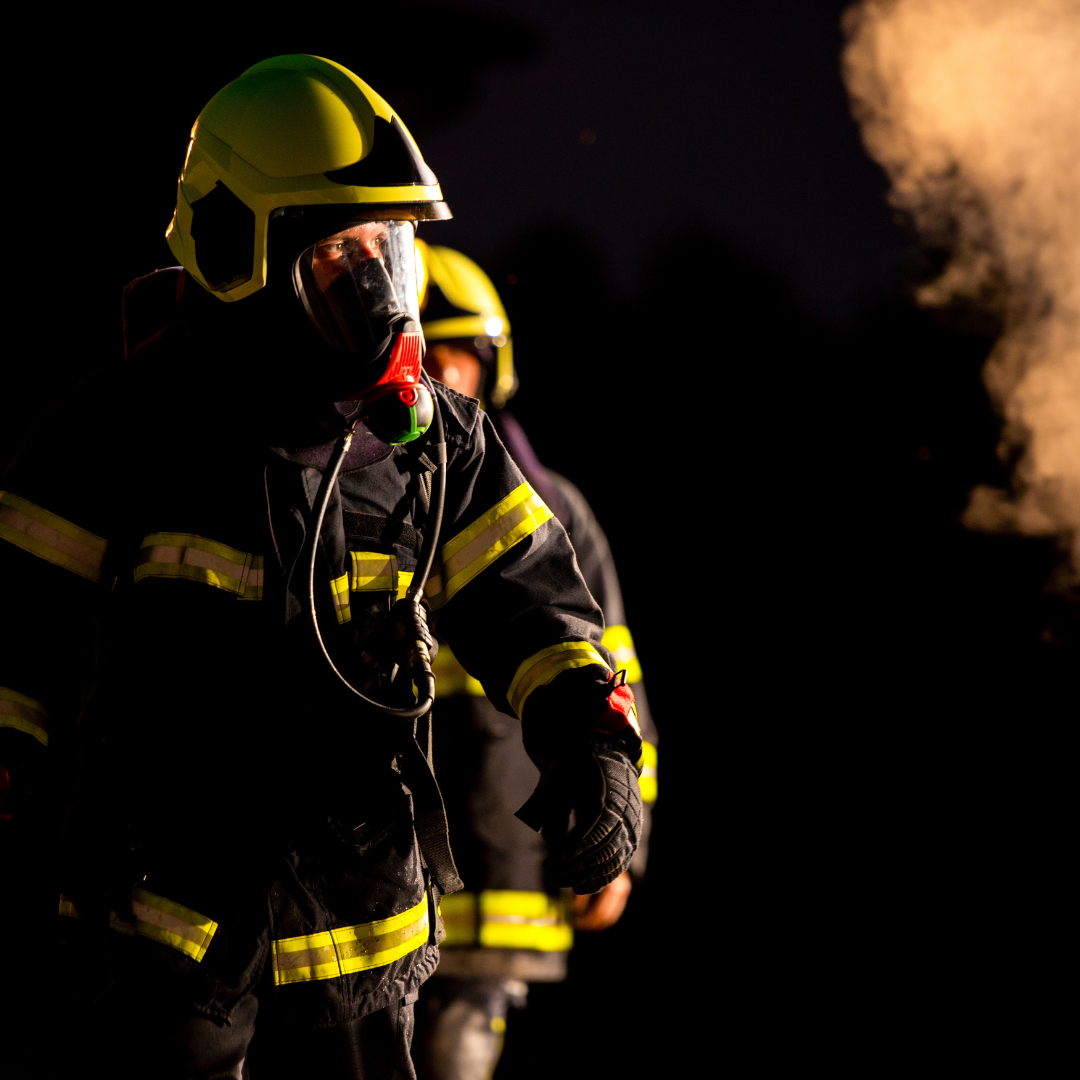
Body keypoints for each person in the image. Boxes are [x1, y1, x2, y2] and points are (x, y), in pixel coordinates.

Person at [0, 55, 643, 1079]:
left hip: (361, 951)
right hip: (160, 947)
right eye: (343, 252)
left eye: (392, 251)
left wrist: (597, 749)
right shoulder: (111, 438)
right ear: (235, 253)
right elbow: (16, 645)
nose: (382, 294)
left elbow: (539, 609)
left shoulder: (442, 447)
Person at [410, 245, 658, 1080]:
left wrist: (628, 839)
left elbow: (612, 684)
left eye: (458, 356)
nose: (443, 377)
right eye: (424, 352)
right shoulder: (357, 491)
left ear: (492, 363)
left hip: (506, 878)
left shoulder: (553, 511)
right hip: (372, 881)